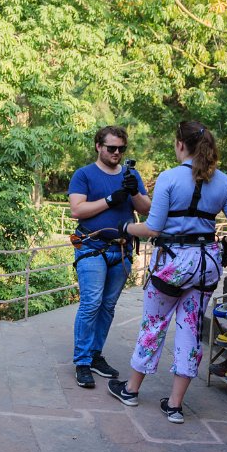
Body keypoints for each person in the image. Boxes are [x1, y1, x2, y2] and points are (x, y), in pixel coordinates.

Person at [107, 120, 227, 423]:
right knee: (191, 328)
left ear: (180, 145)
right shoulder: (225, 182)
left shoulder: (170, 178)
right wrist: (223, 243)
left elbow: (152, 227)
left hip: (173, 263)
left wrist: (125, 227)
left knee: (154, 324)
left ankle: (131, 390)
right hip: (206, 264)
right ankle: (174, 405)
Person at [68, 126, 151, 389]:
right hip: (92, 246)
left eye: (121, 149)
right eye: (111, 148)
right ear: (98, 146)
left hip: (122, 249)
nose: (116, 153)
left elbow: (147, 208)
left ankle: (94, 355)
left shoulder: (131, 175)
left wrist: (132, 191)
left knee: (107, 306)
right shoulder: (84, 175)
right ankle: (82, 361)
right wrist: (111, 198)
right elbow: (77, 210)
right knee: (91, 303)